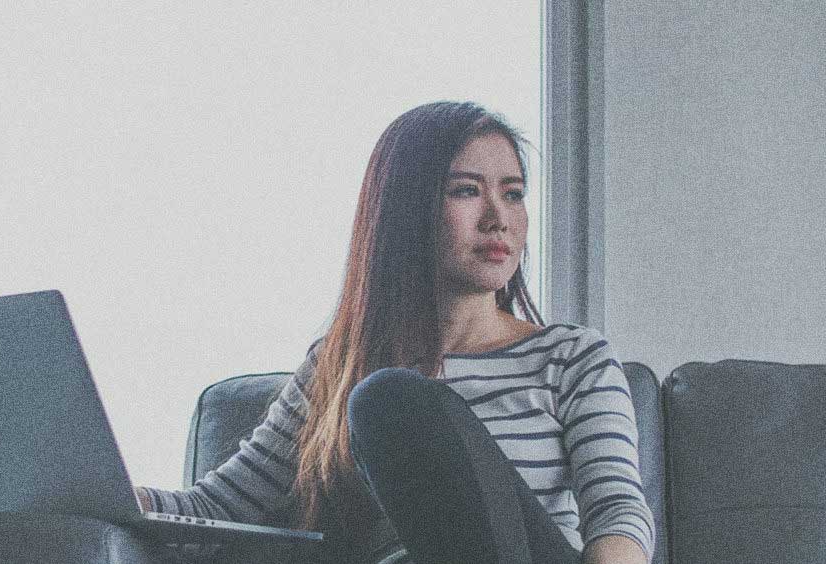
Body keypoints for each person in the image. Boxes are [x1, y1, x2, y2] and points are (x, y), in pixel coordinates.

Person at [135, 101, 654, 564]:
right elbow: (211, 511)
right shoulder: (336, 368)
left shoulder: (571, 357)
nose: (499, 218)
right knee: (380, 397)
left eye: (513, 193)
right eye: (466, 191)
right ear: (408, 210)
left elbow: (616, 511)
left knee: (388, 400)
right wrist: (98, 492)